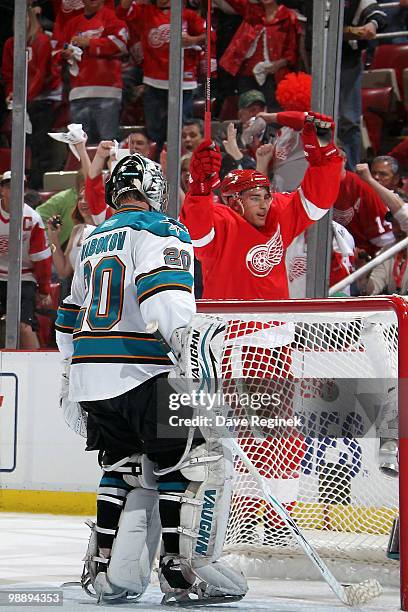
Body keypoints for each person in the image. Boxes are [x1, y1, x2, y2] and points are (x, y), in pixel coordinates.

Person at [55, 153, 247, 605]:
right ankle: (180, 577)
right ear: (154, 189)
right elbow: (163, 294)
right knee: (193, 461)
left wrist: (70, 370)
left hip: (90, 373)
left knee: (123, 465)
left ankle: (107, 573)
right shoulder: (163, 228)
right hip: (143, 370)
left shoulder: (93, 238)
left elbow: (69, 312)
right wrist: (185, 348)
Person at [180, 112, 343, 300]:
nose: (264, 205)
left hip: (275, 324)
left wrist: (323, 159)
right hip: (230, 326)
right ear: (233, 201)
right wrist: (200, 191)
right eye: (255, 198)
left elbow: (316, 203)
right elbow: (197, 237)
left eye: (266, 197)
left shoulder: (277, 211)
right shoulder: (219, 218)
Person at [1, 5, 62, 190]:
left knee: (39, 145)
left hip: (41, 101)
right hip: (22, 103)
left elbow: (40, 74)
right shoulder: (11, 44)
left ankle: (37, 186)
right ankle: (19, 183)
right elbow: (9, 74)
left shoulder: (41, 41)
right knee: (20, 144)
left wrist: (24, 98)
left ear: (32, 20)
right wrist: (11, 95)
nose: (23, 22)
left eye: (26, 18)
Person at [54, 0, 128, 143]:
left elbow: (121, 45)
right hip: (78, 93)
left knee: (107, 145)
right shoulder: (72, 24)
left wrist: (89, 43)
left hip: (108, 92)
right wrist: (65, 53)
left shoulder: (113, 18)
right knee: (81, 147)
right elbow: (57, 50)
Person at [0, 171, 51, 349]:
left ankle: (36, 368)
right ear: (2, 190)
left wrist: (44, 290)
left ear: (25, 191)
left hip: (24, 277)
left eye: (19, 187)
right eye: (8, 186)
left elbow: (41, 258)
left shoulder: (33, 219)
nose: (13, 190)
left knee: (24, 326)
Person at [219, 0, 301, 110]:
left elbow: (292, 49)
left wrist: (278, 64)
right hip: (247, 73)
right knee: (247, 111)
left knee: (273, 112)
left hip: (273, 74)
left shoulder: (288, 17)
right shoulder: (252, 11)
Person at [46, 188, 95, 280]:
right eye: (80, 198)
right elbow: (63, 272)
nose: (83, 202)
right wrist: (54, 238)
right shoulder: (77, 230)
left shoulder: (108, 227)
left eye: (88, 198)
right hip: (79, 291)